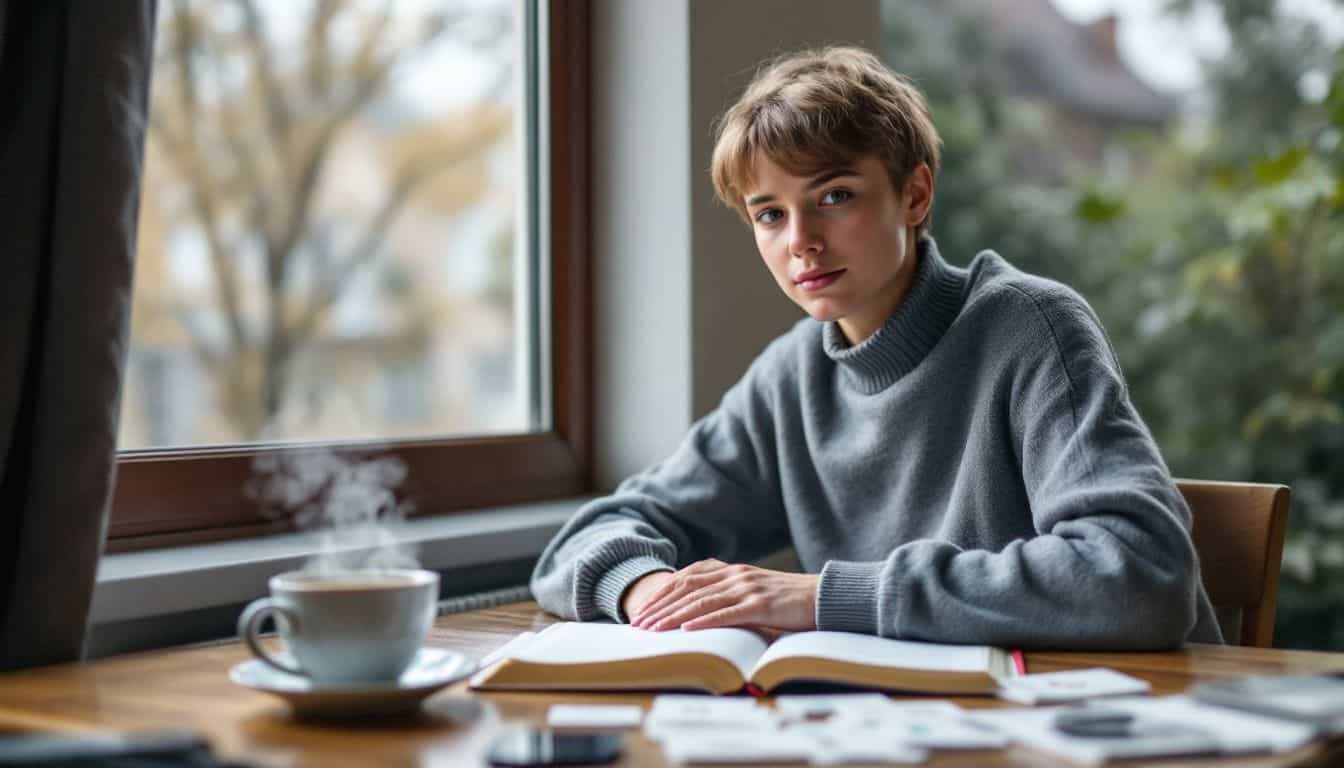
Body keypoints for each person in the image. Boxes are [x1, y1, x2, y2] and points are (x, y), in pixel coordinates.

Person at [530, 45, 1223, 649]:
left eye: (833, 195)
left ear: (914, 195)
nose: (799, 239)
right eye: (769, 213)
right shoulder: (791, 379)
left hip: (1116, 723)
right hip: (910, 723)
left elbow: (1138, 576)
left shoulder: (1029, 326)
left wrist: (818, 599)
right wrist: (648, 592)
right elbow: (582, 542)